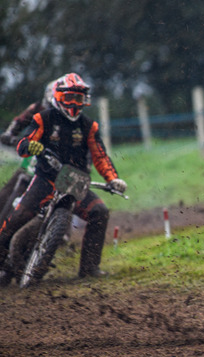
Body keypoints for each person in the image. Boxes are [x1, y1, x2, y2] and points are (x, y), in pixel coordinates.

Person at [0, 73, 127, 285]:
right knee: (14, 221)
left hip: (75, 181)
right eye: (70, 98)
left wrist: (114, 179)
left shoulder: (89, 126)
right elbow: (24, 141)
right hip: (45, 179)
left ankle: (89, 268)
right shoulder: (43, 118)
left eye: (79, 99)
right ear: (58, 97)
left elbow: (100, 156)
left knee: (100, 212)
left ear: (85, 100)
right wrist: (28, 146)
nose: (74, 104)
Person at [0, 80, 54, 222]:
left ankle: (62, 232)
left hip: (56, 168)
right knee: (5, 195)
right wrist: (10, 134)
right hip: (32, 162)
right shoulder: (38, 108)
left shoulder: (77, 119)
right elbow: (19, 121)